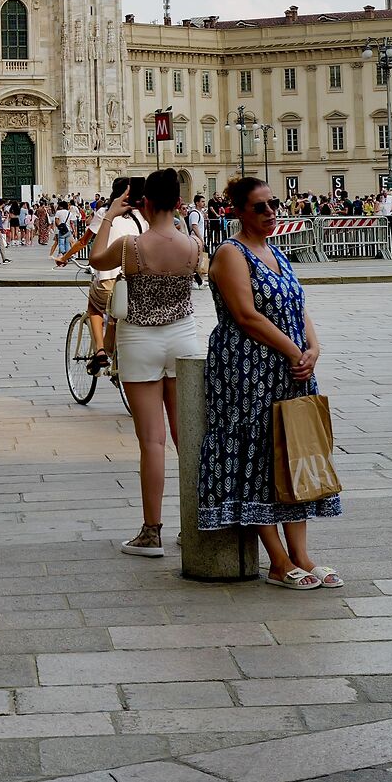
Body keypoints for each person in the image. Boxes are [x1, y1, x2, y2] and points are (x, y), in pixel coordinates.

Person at [196, 176, 342, 589]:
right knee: (257, 454)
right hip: (247, 371)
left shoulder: (276, 252)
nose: (270, 212)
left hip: (289, 368)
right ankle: (276, 559)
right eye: (259, 206)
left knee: (292, 452)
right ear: (238, 211)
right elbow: (245, 315)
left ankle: (301, 555)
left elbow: (299, 306)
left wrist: (312, 348)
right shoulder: (230, 253)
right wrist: (295, 352)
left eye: (272, 203)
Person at [93, 167, 203, 558]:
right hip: (183, 336)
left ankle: (151, 532)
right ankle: (197, 526)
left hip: (139, 339)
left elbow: (94, 258)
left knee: (151, 442)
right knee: (185, 436)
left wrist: (109, 215)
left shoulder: (132, 247)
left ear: (145, 202)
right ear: (177, 202)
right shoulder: (193, 245)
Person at [57, 175, 138, 368]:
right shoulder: (141, 214)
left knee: (95, 306)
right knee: (118, 311)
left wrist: (64, 257)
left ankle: (100, 351)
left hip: (109, 278)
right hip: (135, 280)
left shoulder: (105, 212)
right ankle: (113, 352)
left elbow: (84, 241)